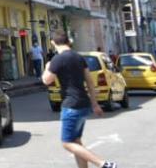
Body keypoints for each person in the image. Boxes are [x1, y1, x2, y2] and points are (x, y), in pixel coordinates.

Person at [41, 33, 116, 168]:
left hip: (71, 105)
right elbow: (90, 82)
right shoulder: (79, 57)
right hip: (83, 104)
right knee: (76, 141)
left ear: (53, 43)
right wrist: (95, 104)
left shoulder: (58, 59)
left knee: (67, 143)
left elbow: (47, 80)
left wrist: (47, 67)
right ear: (68, 42)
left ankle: (103, 164)